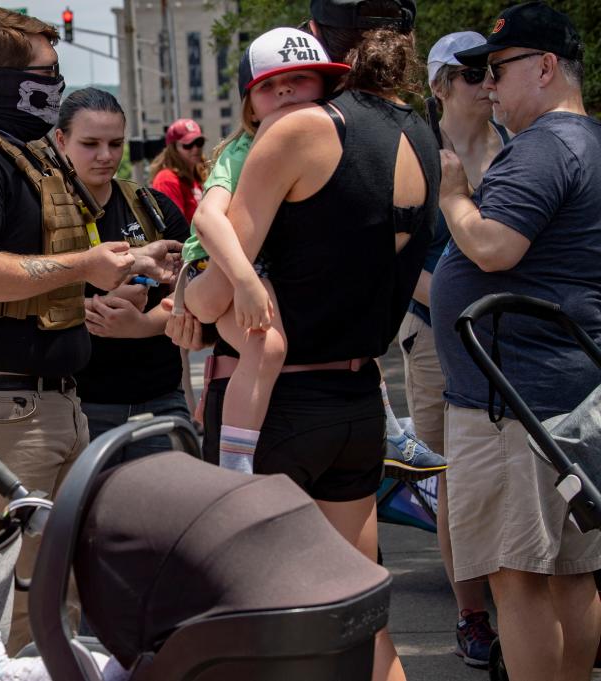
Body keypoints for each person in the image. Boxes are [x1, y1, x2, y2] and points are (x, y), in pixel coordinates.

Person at [167, 1, 439, 678]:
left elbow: (212, 296)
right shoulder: (420, 130)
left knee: (256, 627)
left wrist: (184, 294)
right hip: (357, 404)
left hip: (275, 410)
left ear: (323, 45)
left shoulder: (298, 135)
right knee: (363, 623)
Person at [0, 9, 172, 651]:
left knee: (65, 589)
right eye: (46, 73)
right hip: (0, 408)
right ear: (3, 79)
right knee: (24, 599)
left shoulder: (22, 156)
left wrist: (131, 261)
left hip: (49, 402)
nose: (56, 85)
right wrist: (86, 263)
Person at [432, 4, 601, 679]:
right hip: (559, 393)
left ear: (546, 68)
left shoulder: (543, 147)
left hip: (513, 401)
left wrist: (453, 196)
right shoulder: (586, 141)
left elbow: (494, 247)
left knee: (516, 575)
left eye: (498, 69)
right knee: (572, 569)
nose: (491, 85)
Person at [180, 26, 349, 473]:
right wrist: (245, 282)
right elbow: (207, 219)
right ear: (249, 105)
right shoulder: (242, 151)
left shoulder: (338, 142)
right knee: (266, 346)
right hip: (221, 266)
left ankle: (390, 426)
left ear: (328, 86)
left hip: (268, 273)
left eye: (300, 79)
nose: (286, 91)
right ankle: (234, 468)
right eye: (268, 86)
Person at [399, 30, 508, 668]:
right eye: (471, 72)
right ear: (440, 85)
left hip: (513, 333)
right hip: (436, 333)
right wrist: (452, 295)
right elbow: (393, 256)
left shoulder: (521, 148)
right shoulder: (415, 155)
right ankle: (471, 614)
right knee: (454, 476)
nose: (486, 80)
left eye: (493, 69)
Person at [54, 88, 192, 459]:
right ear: (60, 140)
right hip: (76, 409)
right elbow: (14, 295)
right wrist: (90, 306)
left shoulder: (152, 208)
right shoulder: (39, 216)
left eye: (116, 143)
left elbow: (198, 289)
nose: (105, 156)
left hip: (160, 403)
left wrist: (144, 324)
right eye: (90, 144)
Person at [149, 118, 207, 223]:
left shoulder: (195, 178)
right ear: (173, 149)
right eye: (188, 144)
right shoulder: (166, 179)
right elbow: (175, 227)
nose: (195, 148)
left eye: (199, 142)